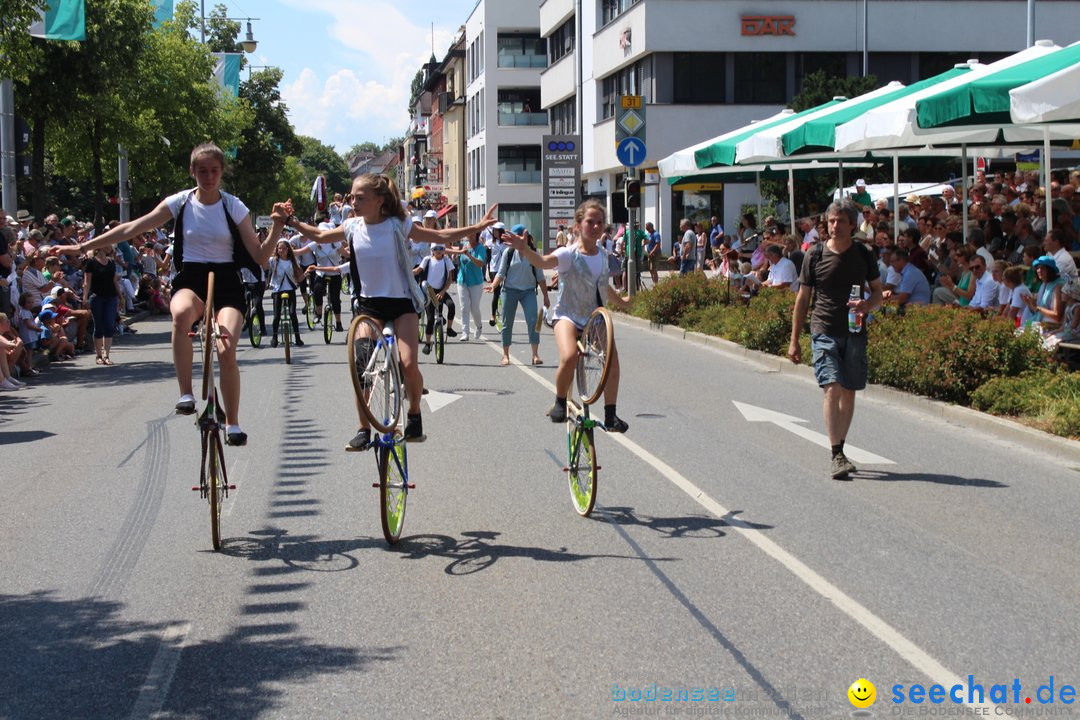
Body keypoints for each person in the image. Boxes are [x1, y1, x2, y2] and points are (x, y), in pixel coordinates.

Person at [59, 142, 280, 446]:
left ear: (222, 172)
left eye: (214, 170)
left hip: (227, 280)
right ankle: (186, 393)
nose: (209, 176)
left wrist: (277, 227)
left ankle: (233, 422)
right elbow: (132, 227)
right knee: (179, 315)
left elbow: (259, 256)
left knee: (226, 348)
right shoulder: (180, 202)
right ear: (192, 171)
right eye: (202, 171)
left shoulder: (233, 206)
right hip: (191, 277)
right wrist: (83, 247)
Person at [276, 173, 497, 451]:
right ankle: (362, 429)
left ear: (380, 201)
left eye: (361, 198)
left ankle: (414, 412)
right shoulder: (351, 226)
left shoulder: (398, 225)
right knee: (361, 369)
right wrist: (291, 221)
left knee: (408, 365)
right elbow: (319, 235)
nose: (353, 202)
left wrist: (475, 227)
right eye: (352, 197)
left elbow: (440, 235)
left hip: (401, 304)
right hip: (370, 306)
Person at [506, 199, 630, 433]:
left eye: (600, 223)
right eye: (590, 222)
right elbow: (542, 262)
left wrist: (622, 302)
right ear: (578, 225)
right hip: (568, 316)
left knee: (612, 362)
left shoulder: (604, 255)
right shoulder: (567, 254)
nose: (595, 227)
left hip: (595, 319)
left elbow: (603, 286)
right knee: (570, 356)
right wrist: (525, 249)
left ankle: (611, 414)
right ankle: (560, 402)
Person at [788, 199, 883, 481]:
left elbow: (877, 292)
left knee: (849, 390)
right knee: (831, 387)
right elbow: (803, 298)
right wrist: (794, 340)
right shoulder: (814, 255)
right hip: (823, 328)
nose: (835, 226)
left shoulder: (864, 255)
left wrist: (867, 306)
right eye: (831, 221)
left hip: (854, 330)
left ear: (852, 225)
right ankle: (835, 454)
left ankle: (840, 448)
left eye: (841, 221)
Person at [487, 225, 550, 366]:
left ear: (525, 237)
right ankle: (505, 355)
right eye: (513, 237)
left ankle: (535, 355)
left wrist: (546, 296)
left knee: (534, 321)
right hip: (509, 290)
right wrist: (493, 285)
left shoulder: (533, 253)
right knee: (506, 322)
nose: (514, 240)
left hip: (528, 291)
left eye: (518, 236)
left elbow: (540, 277)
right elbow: (501, 273)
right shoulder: (508, 253)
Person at [82, 247, 123, 365]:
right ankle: (98, 355)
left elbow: (114, 280)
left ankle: (106, 355)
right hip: (97, 297)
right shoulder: (91, 262)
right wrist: (85, 298)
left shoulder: (111, 262)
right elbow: (87, 281)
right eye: (107, 244)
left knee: (109, 325)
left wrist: (120, 296)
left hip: (111, 297)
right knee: (98, 326)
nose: (110, 247)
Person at [416, 244, 458, 354]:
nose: (438, 251)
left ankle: (449, 328)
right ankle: (428, 343)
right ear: (432, 250)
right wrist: (406, 272)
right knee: (430, 319)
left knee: (451, 305)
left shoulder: (446, 260)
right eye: (435, 249)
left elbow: (450, 278)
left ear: (444, 250)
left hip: (441, 291)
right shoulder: (427, 259)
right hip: (429, 291)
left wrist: (443, 291)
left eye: (441, 249)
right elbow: (417, 271)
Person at [445, 232, 488, 341]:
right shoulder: (464, 245)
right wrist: (455, 255)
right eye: (469, 234)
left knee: (474, 308)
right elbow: (455, 253)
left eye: (472, 234)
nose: (470, 236)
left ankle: (479, 326)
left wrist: (469, 255)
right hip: (462, 280)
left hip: (476, 282)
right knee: (464, 307)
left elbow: (480, 263)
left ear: (476, 235)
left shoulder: (480, 248)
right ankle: (465, 332)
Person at [267, 239, 304, 348]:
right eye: (279, 248)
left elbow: (299, 276)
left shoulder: (293, 261)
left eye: (283, 248)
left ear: (288, 249)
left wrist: (306, 273)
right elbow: (263, 263)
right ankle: (274, 337)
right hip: (277, 290)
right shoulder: (273, 261)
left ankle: (297, 337)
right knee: (276, 316)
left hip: (290, 289)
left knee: (293, 313)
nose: (281, 250)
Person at [644, 221, 661, 286]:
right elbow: (647, 241)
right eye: (646, 229)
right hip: (650, 254)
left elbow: (658, 245)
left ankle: (655, 284)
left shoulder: (656, 234)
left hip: (655, 253)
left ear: (651, 227)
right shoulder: (648, 234)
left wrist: (652, 251)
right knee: (650, 269)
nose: (647, 230)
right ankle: (653, 281)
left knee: (654, 269)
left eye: (648, 228)